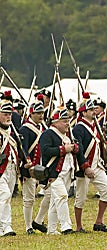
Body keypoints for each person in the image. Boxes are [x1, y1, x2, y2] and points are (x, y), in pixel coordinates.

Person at [72, 93, 107, 232]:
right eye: (90, 110)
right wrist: (85, 167)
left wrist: (105, 158)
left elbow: (99, 143)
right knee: (81, 198)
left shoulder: (96, 126)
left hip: (97, 165)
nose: (94, 112)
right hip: (85, 167)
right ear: (83, 112)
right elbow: (79, 150)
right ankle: (78, 226)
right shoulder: (78, 128)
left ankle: (99, 222)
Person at [39, 107, 77, 235]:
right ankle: (66, 226)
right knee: (62, 197)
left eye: (68, 120)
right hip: (54, 173)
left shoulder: (67, 135)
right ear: (55, 122)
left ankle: (52, 229)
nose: (67, 123)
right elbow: (45, 151)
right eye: (64, 121)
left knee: (56, 202)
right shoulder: (47, 134)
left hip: (67, 172)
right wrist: (63, 149)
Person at [19, 96, 48, 235]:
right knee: (29, 199)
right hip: (30, 168)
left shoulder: (43, 127)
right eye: (38, 113)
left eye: (42, 113)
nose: (41, 115)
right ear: (31, 113)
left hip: (42, 167)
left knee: (49, 194)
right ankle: (28, 226)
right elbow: (23, 148)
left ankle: (38, 221)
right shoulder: (25, 129)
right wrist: (28, 163)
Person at [0, 91, 19, 236]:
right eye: (5, 114)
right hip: (1, 169)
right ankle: (5, 227)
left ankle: (6, 226)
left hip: (12, 168)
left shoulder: (13, 133)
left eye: (10, 114)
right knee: (5, 195)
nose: (8, 117)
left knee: (7, 197)